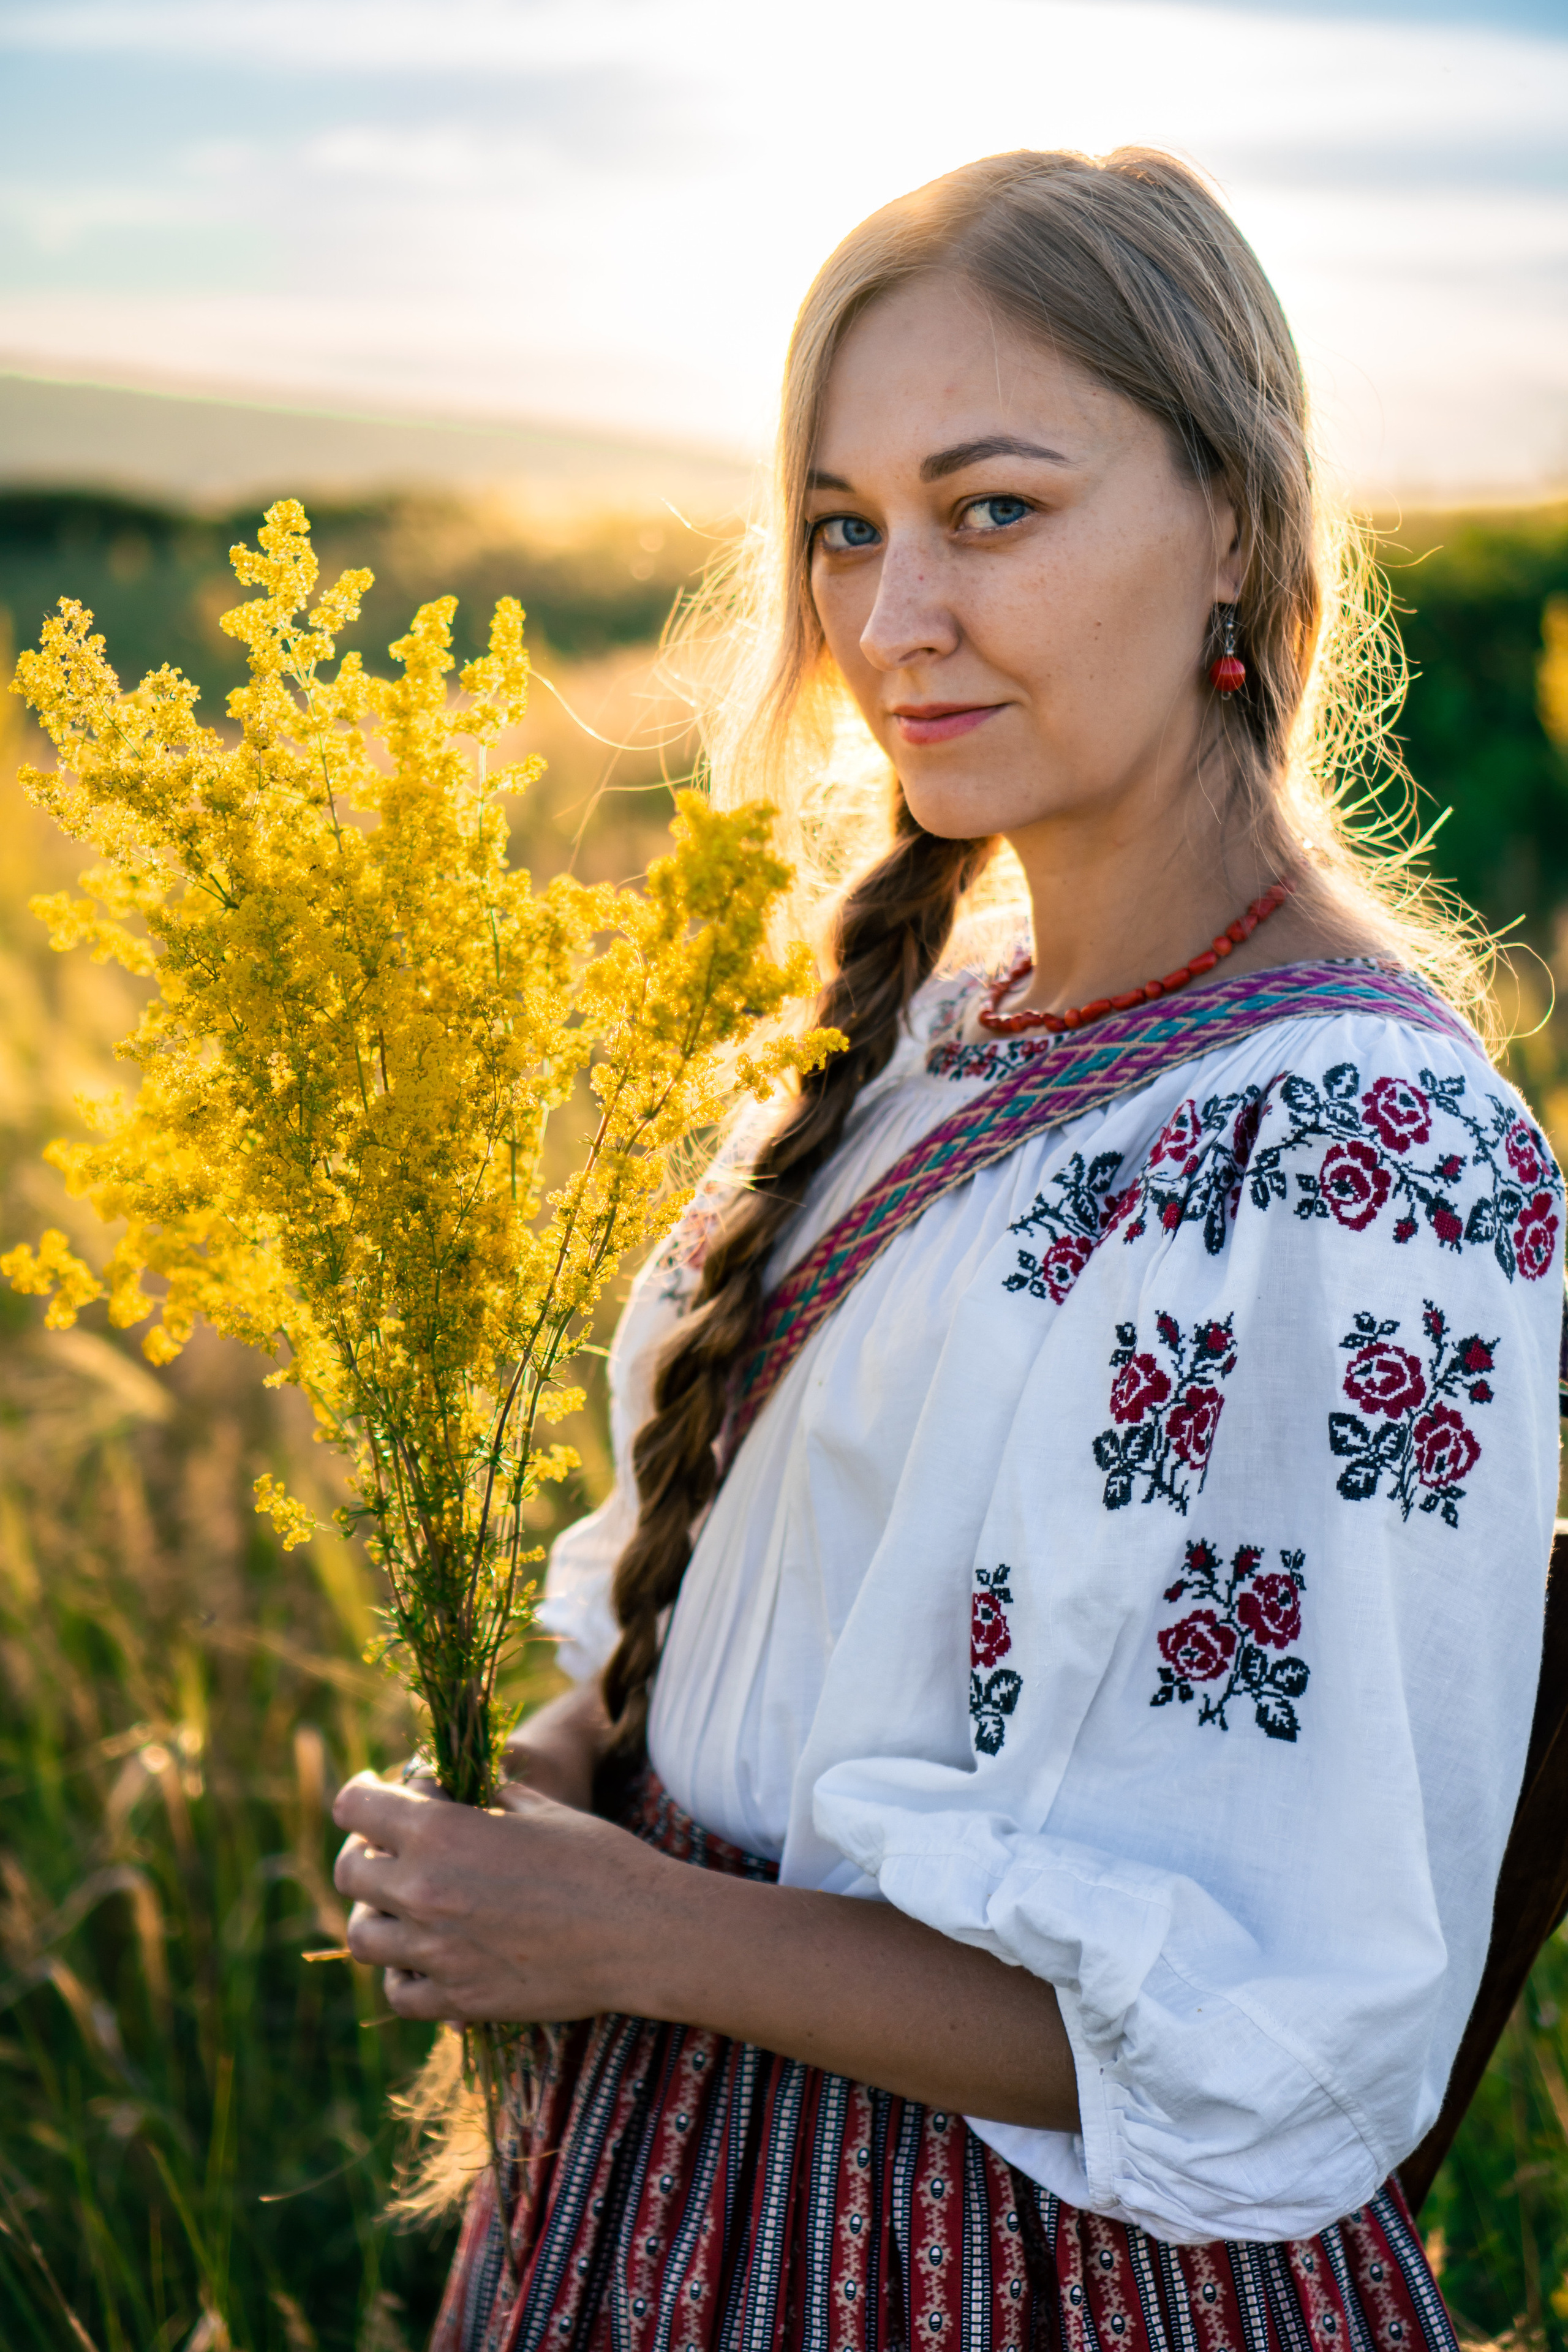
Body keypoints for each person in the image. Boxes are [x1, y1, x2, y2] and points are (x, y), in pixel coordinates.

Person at [332, 148, 1564, 2352]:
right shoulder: (923, 1039)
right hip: (647, 2212)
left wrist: (632, 1934)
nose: (894, 617)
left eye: (992, 509)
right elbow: (796, 1647)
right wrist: (547, 1792)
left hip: (1004, 2278)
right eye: (842, 526)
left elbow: (1280, 2032)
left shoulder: (1355, 1151)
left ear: (1238, 530)